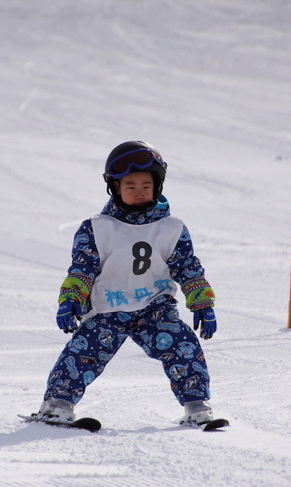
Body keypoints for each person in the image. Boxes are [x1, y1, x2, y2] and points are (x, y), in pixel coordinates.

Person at [36, 141, 219, 426]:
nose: (138, 192)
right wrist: (70, 299)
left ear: (157, 187)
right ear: (115, 187)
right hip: (109, 308)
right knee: (84, 352)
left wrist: (202, 304)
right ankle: (57, 403)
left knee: (183, 345)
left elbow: (188, 268)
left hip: (155, 309)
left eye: (146, 186)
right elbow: (82, 269)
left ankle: (197, 405)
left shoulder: (172, 229)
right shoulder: (97, 228)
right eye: (130, 186)